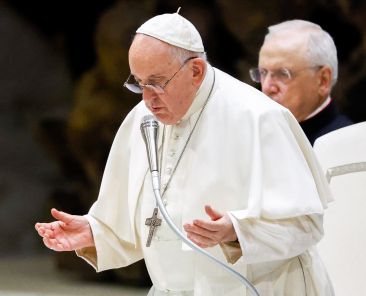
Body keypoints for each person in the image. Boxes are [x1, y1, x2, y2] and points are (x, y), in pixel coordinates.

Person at [35, 11, 334, 295]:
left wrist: (238, 232)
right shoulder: (143, 119)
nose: (148, 99)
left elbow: (307, 224)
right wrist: (93, 232)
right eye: (139, 84)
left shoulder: (257, 117)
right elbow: (137, 222)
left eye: (157, 82)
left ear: (195, 70)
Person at [249, 19, 353, 145]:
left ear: (322, 80)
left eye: (283, 74)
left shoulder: (348, 147)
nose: (266, 87)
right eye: (263, 73)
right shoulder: (257, 138)